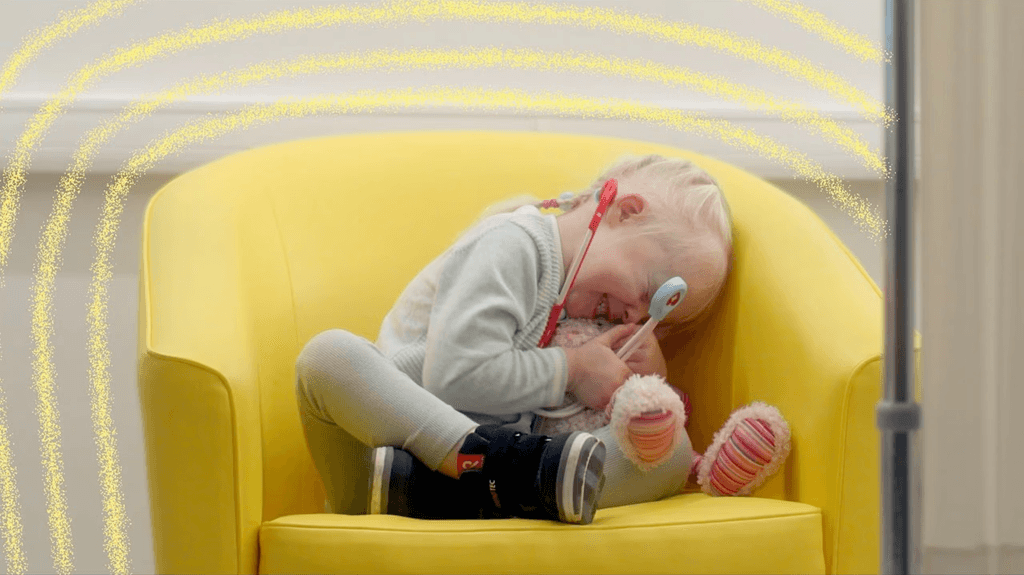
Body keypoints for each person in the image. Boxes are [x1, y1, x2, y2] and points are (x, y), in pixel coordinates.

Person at [294, 154, 733, 525]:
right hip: (389, 454)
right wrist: (573, 369)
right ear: (626, 210)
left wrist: (645, 380)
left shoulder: (581, 306)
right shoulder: (513, 244)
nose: (636, 316)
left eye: (657, 317)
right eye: (650, 292)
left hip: (488, 480)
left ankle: (486, 490)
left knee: (670, 453)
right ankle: (502, 477)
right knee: (327, 357)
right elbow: (454, 375)